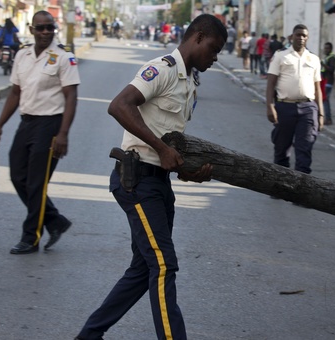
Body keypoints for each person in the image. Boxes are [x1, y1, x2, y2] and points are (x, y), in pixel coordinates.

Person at [74, 14, 226, 340]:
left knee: (144, 268)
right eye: (214, 49)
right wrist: (162, 149)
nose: (215, 58)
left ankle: (88, 336)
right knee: (162, 265)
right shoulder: (163, 69)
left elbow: (168, 145)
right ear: (197, 37)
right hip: (137, 180)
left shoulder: (190, 83)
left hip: (158, 183)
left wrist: (189, 173)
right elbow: (119, 106)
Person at [0, 11, 80, 254]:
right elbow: (15, 93)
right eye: (40, 28)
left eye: (50, 27)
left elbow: (71, 96)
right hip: (26, 123)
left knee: (37, 184)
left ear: (54, 28)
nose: (45, 32)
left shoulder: (64, 57)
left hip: (50, 124)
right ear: (31, 30)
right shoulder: (22, 55)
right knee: (18, 176)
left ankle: (31, 237)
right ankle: (55, 220)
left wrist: (63, 134)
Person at [266, 24, 323, 175]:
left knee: (304, 150)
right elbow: (271, 83)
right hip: (285, 108)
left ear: (307, 38)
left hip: (308, 108)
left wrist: (321, 114)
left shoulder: (314, 59)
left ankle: (301, 191)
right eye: (298, 35)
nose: (301, 38)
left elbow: (318, 89)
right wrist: (270, 106)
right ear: (292, 37)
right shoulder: (280, 56)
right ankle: (279, 186)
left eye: (304, 35)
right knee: (282, 149)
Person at [321, 42, 335, 125]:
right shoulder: (327, 57)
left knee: (325, 100)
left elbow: (332, 69)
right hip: (324, 80)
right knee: (324, 99)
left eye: (327, 48)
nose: (325, 49)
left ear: (331, 49)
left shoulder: (332, 58)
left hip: (328, 81)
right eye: (325, 48)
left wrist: (323, 64)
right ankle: (326, 118)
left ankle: (328, 119)